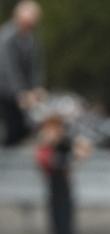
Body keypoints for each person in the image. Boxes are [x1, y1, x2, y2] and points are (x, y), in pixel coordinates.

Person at [0, 0, 45, 146]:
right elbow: (8, 68)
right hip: (6, 92)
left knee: (25, 128)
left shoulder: (30, 38)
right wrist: (20, 92)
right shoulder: (6, 37)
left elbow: (35, 67)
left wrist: (37, 87)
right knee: (12, 129)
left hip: (22, 93)